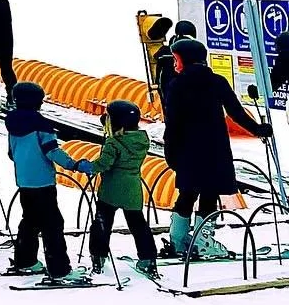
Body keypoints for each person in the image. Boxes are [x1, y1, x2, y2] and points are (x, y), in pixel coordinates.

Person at [160, 37, 271, 259]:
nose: (174, 63)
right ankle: (203, 242)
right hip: (213, 148)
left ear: (185, 59)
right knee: (209, 194)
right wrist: (258, 129)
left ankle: (178, 240)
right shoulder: (217, 81)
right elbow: (236, 112)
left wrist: (170, 151)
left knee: (187, 193)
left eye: (176, 58)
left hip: (187, 149)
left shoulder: (176, 85)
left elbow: (172, 122)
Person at [4, 82, 93, 280]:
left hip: (24, 182)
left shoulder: (12, 123)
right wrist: (75, 165)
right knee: (53, 224)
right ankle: (60, 269)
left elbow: (11, 153)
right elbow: (52, 151)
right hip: (43, 182)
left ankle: (25, 261)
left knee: (30, 221)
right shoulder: (41, 125)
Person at [83, 100, 158, 279]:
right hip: (133, 190)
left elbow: (104, 164)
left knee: (102, 223)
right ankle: (148, 259)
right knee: (138, 226)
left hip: (111, 190)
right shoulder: (141, 140)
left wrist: (89, 167)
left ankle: (98, 256)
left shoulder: (114, 143)